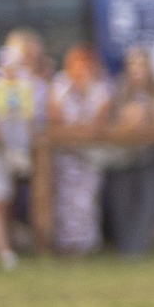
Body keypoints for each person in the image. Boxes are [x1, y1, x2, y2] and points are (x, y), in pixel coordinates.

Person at [103, 46, 154, 255]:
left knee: (150, 202)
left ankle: (138, 250)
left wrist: (152, 114)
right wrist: (129, 120)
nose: (138, 70)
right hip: (123, 158)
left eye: (142, 65)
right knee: (123, 204)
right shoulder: (118, 91)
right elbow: (110, 123)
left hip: (151, 156)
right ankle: (127, 250)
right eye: (134, 65)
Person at [47, 44, 115, 256]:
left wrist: (86, 90)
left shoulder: (101, 87)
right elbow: (55, 119)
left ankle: (87, 246)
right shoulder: (60, 85)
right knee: (65, 202)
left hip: (89, 155)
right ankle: (66, 247)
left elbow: (100, 122)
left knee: (87, 200)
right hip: (65, 155)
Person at [0, 31, 43, 268]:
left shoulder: (25, 87)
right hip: (0, 152)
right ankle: (5, 251)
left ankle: (10, 248)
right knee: (0, 202)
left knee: (9, 201)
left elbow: (29, 119)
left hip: (17, 151)